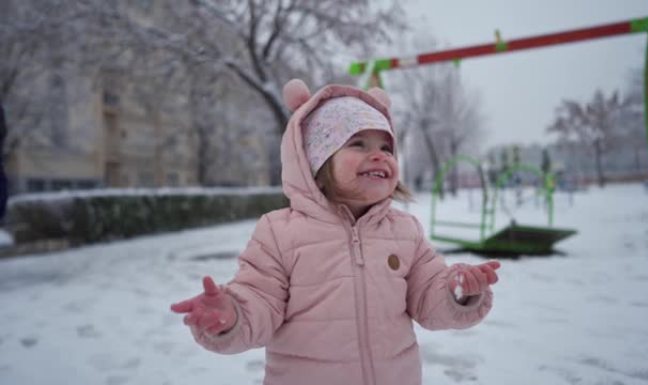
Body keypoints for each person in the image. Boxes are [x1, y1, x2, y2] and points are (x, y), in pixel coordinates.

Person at [170, 79, 500, 385]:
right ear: (317, 162)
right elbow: (260, 301)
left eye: (386, 148)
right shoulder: (279, 233)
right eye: (357, 143)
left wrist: (460, 292)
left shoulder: (405, 232)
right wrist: (231, 314)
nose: (378, 155)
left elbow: (429, 300)